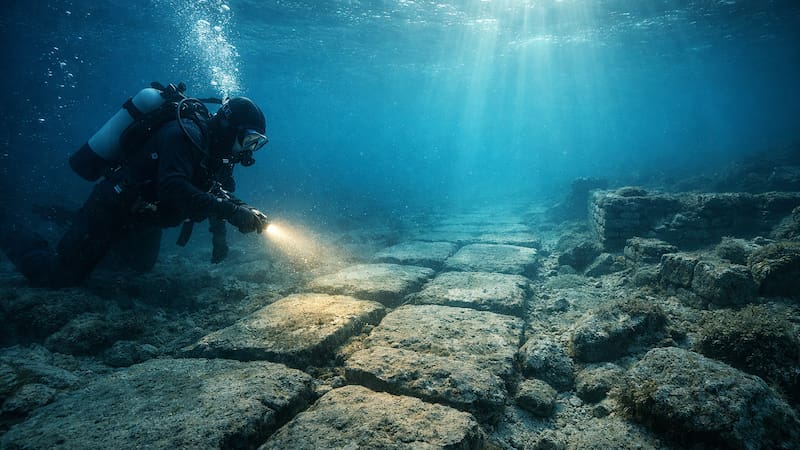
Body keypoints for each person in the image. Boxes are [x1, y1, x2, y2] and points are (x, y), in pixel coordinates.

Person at [0, 94, 270, 287]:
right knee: (57, 276)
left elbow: (216, 191)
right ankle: (9, 231)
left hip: (143, 219)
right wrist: (232, 212)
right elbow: (172, 186)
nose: (248, 150)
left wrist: (222, 233)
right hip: (113, 208)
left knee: (139, 266)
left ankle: (71, 224)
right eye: (248, 140)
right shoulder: (184, 135)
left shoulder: (216, 153)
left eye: (256, 144)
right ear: (227, 127)